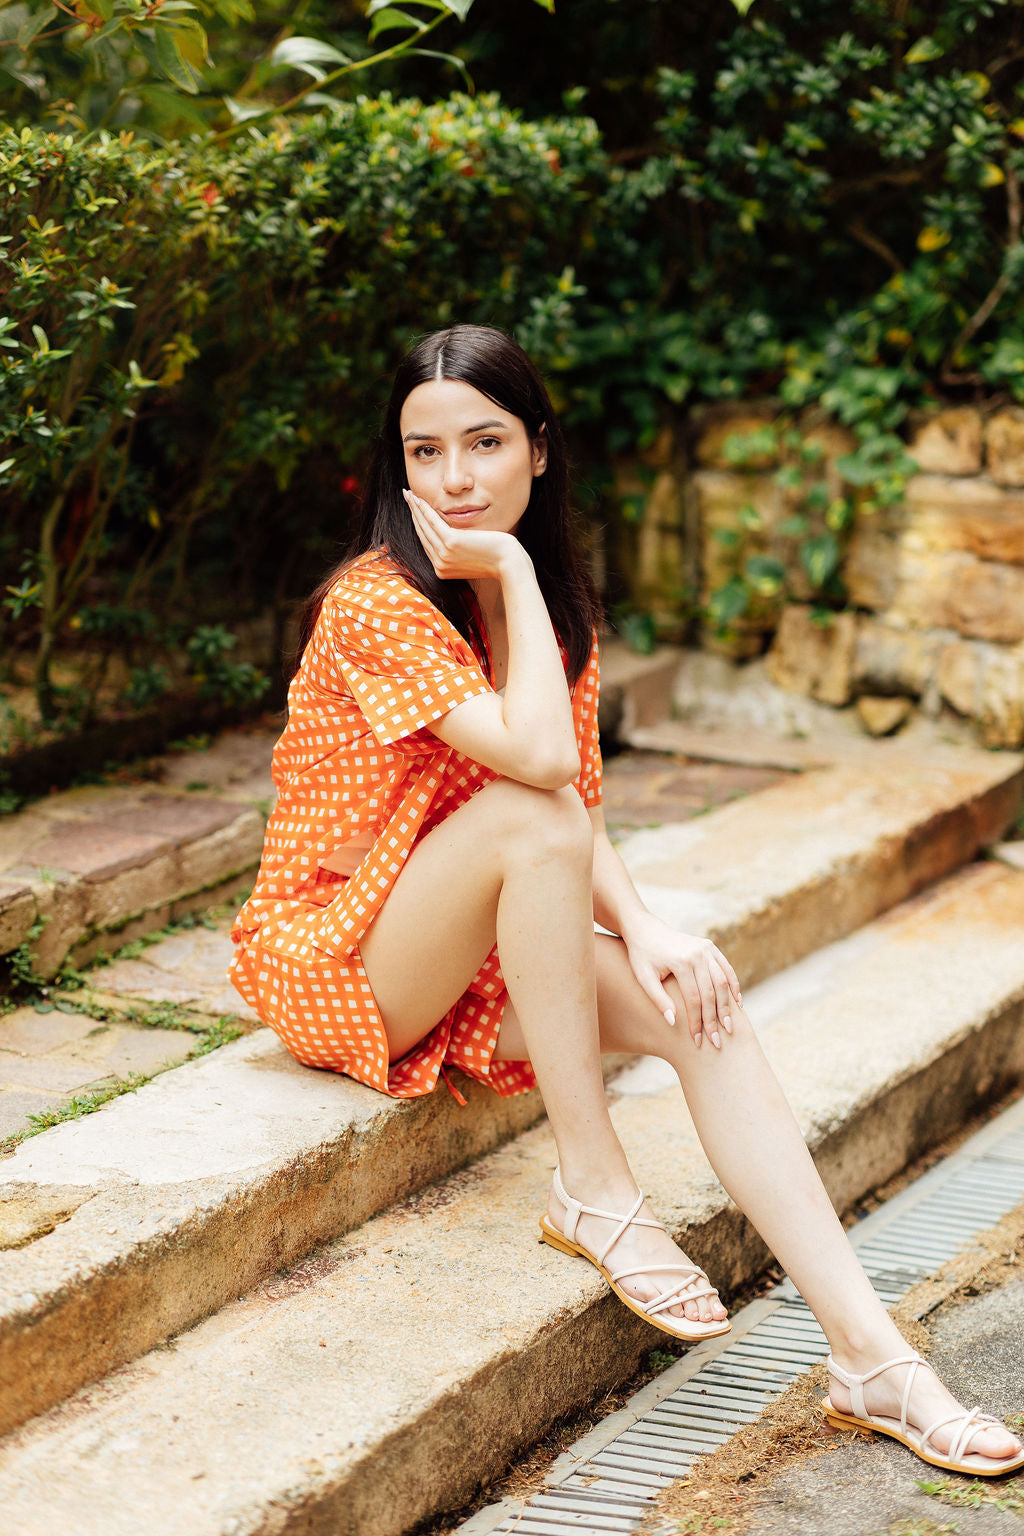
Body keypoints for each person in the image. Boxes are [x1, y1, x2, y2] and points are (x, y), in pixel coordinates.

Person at [229, 324, 1024, 1479]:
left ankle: (873, 1360)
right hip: (341, 961)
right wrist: (505, 573)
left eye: (485, 443)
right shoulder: (374, 603)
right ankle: (594, 1184)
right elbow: (540, 779)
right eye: (424, 452)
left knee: (700, 1005)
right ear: (396, 468)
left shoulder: (555, 608)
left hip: (468, 940)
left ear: (538, 450)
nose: (454, 478)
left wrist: (646, 929)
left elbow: (575, 808)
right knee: (532, 819)